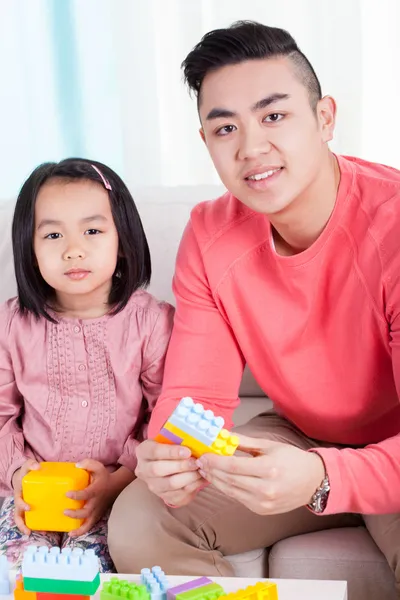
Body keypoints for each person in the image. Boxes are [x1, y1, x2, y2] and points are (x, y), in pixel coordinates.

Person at [108, 21, 400, 588]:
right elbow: (192, 399)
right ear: (207, 142)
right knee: (143, 519)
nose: (251, 147)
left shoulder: (392, 228)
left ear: (324, 118)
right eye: (225, 127)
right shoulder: (210, 235)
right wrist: (167, 458)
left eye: (274, 116)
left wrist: (323, 475)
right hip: (297, 436)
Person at [0, 158, 174, 571]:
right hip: (27, 496)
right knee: (15, 573)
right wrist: (17, 474)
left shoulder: (150, 322)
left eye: (92, 231)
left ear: (123, 239)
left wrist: (117, 482)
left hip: (117, 495)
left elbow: (164, 419)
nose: (73, 248)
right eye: (53, 234)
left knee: (90, 576)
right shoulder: (11, 325)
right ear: (30, 247)